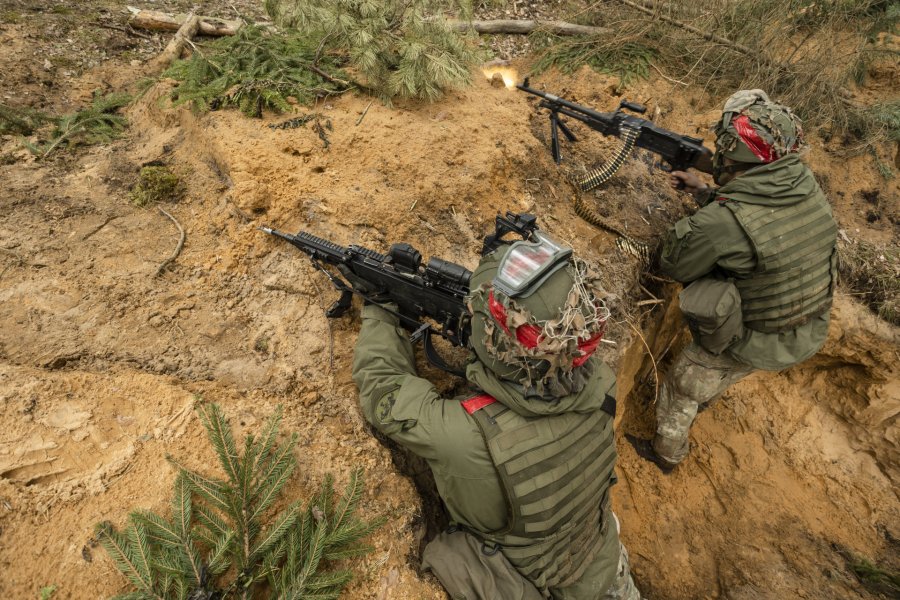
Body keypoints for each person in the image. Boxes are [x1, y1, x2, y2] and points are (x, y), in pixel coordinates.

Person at [352, 234, 642, 599]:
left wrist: (379, 305)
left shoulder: (466, 438)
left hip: (545, 587)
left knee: (453, 558)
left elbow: (385, 389)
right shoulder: (602, 381)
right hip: (605, 560)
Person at [627, 89, 838, 473]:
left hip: (762, 339)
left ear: (733, 155)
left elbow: (675, 263)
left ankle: (666, 455)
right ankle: (712, 387)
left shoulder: (723, 222)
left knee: (684, 383)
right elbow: (762, 222)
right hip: (807, 321)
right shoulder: (800, 183)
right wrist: (709, 193)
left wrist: (708, 213)